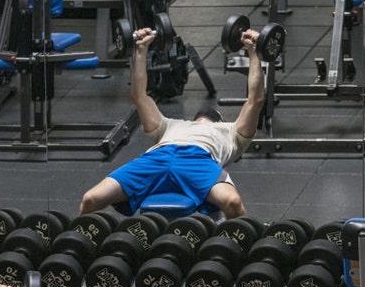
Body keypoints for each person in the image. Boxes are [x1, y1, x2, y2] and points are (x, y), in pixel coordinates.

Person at [79, 25, 265, 220]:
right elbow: (139, 96)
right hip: (156, 158)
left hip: (199, 161)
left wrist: (254, 53)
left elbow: (256, 100)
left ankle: (228, 246)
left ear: (220, 118)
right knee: (90, 199)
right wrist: (140, 50)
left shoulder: (231, 132)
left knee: (233, 203)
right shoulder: (169, 125)